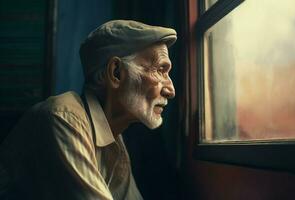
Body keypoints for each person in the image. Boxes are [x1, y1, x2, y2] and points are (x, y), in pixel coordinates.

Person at [0, 20, 177, 200]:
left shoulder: (113, 140)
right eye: (160, 70)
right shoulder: (63, 118)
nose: (170, 90)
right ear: (116, 73)